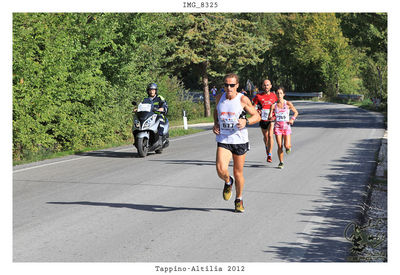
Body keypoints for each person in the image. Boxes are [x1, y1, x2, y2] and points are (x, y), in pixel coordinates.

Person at [213, 73, 261, 213]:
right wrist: (216, 124)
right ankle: (228, 182)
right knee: (220, 169)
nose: (229, 88)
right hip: (224, 139)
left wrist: (246, 121)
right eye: (226, 85)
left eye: (232, 85)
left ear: (237, 86)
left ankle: (239, 199)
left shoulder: (243, 99)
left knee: (238, 172)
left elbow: (256, 116)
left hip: (239, 140)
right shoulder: (218, 98)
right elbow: (216, 112)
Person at [268, 87, 298, 169]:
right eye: (277, 93)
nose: (279, 95)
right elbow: (270, 116)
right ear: (276, 94)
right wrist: (271, 117)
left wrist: (292, 119)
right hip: (277, 127)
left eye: (281, 93)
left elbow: (296, 112)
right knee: (279, 146)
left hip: (286, 127)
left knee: (287, 146)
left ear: (284, 94)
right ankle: (281, 162)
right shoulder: (273, 106)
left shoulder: (288, 103)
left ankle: (288, 148)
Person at [252, 79, 277, 163]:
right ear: (262, 86)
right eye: (264, 85)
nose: (266, 86)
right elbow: (253, 107)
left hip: (271, 119)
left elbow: (278, 106)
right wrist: (257, 111)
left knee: (270, 135)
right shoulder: (258, 96)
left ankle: (269, 154)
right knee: (266, 137)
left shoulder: (274, 96)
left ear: (271, 86)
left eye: (268, 85)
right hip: (263, 119)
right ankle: (267, 147)